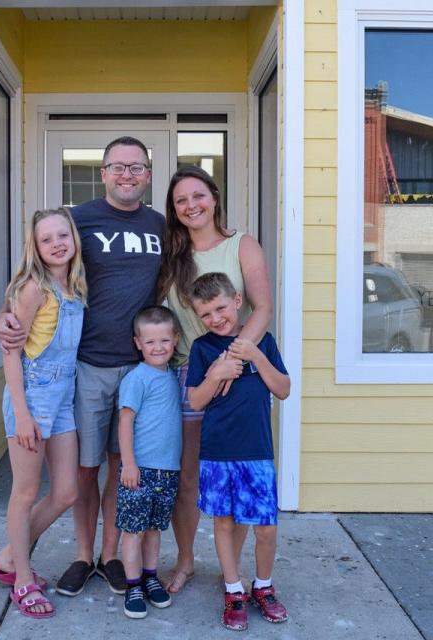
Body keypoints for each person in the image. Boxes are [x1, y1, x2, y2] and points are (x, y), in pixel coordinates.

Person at [0, 137, 164, 597]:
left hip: (136, 368)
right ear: (104, 173)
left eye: (136, 167)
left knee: (119, 463)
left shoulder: (160, 226)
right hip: (85, 367)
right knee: (83, 472)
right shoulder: (79, 220)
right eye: (117, 166)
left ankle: (110, 556)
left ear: (147, 174)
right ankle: (81, 555)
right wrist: (6, 319)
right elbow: (28, 284)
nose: (127, 174)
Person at [156, 165, 273, 594]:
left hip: (239, 373)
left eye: (197, 196)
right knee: (188, 475)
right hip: (189, 374)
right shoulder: (171, 255)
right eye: (181, 201)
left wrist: (234, 359)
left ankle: (233, 573)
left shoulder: (242, 246)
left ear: (214, 197)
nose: (191, 206)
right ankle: (185, 562)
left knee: (237, 472)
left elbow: (262, 308)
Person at [0, 208, 86, 619]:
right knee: (24, 493)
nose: (57, 243)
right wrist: (23, 415)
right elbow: (11, 353)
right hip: (33, 396)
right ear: (36, 247)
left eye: (63, 235)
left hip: (64, 399)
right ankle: (22, 579)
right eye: (47, 239)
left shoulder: (75, 286)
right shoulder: (33, 289)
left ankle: (9, 555)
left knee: (66, 492)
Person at [185, 272, 290, 631]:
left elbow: (284, 389)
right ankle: (233, 590)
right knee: (225, 522)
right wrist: (216, 374)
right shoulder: (202, 349)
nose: (215, 319)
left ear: (237, 302)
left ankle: (263, 586)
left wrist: (255, 356)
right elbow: (196, 401)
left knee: (265, 528)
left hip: (257, 450)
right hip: (217, 452)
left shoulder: (264, 342)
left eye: (220, 308)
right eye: (206, 314)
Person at [115, 306, 182, 619]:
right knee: (134, 530)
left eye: (165, 341)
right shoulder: (137, 379)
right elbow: (125, 421)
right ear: (138, 343)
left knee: (155, 528)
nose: (158, 347)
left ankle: (150, 575)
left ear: (175, 340)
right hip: (139, 471)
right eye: (151, 342)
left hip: (167, 470)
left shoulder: (171, 375)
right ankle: (132, 585)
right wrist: (129, 464)